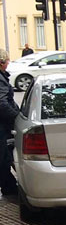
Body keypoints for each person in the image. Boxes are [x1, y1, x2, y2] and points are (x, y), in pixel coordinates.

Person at [0, 49, 18, 195]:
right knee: (4, 157)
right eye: (7, 61)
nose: (8, 63)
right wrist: (17, 118)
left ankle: (9, 186)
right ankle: (9, 188)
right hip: (2, 125)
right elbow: (2, 104)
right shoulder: (0, 79)